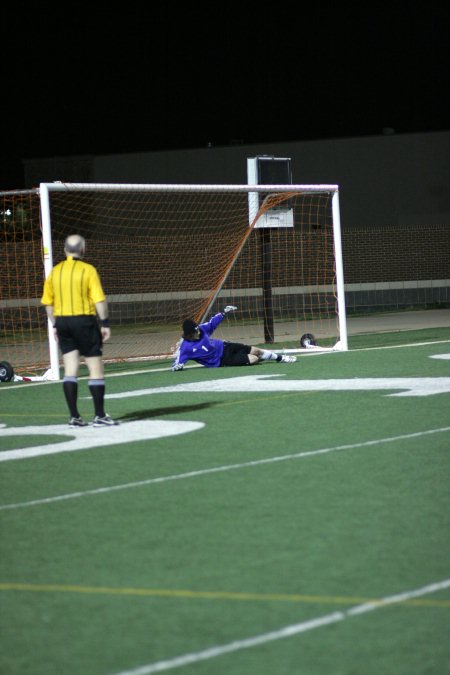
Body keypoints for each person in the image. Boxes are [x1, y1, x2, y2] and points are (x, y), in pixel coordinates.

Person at [41, 234, 118, 427]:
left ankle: (74, 417)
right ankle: (99, 415)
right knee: (95, 368)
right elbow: (99, 300)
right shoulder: (88, 270)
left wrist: (55, 324)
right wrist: (105, 323)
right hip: (84, 322)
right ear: (83, 250)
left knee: (70, 369)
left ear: (65, 250)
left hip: (63, 322)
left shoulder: (55, 272)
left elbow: (48, 304)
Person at [172, 305, 296, 371]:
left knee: (256, 351)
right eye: (195, 332)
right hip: (223, 360)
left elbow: (212, 323)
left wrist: (224, 312)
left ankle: (281, 358)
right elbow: (178, 363)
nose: (198, 332)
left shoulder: (201, 329)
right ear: (188, 335)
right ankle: (264, 358)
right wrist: (177, 367)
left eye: (197, 329)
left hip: (226, 346)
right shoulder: (186, 348)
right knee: (253, 358)